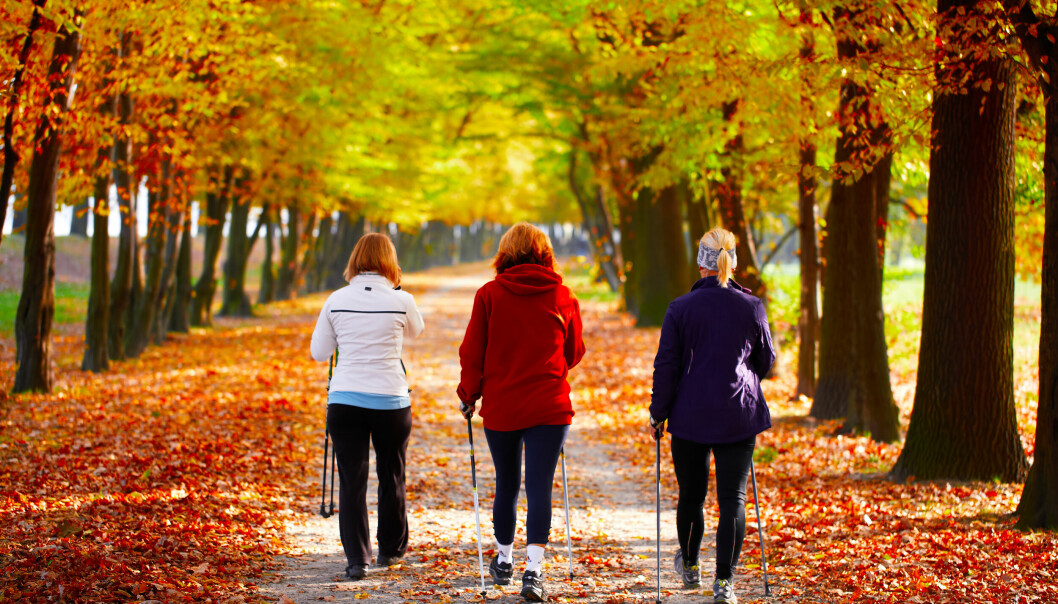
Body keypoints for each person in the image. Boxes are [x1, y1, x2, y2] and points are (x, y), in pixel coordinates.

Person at [457, 223, 585, 602]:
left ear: (506, 253)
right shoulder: (563, 295)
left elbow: (472, 352)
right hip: (550, 405)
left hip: (503, 406)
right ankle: (534, 571)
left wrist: (469, 395)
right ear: (545, 254)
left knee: (507, 483)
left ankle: (504, 560)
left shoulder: (489, 294)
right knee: (540, 485)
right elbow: (574, 351)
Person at [648, 227, 775, 604]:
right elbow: (766, 360)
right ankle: (725, 582)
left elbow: (667, 365)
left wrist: (658, 414)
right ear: (733, 262)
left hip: (690, 415)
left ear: (700, 263)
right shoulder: (752, 306)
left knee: (691, 495)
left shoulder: (681, 308)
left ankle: (689, 565)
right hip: (739, 412)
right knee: (733, 498)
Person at [310, 232, 424, 581]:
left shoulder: (336, 300)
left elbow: (319, 353)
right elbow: (416, 332)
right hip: (391, 399)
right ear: (391, 262)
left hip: (346, 399)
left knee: (352, 480)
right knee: (392, 474)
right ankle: (390, 549)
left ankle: (357, 560)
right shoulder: (402, 300)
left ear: (355, 259)